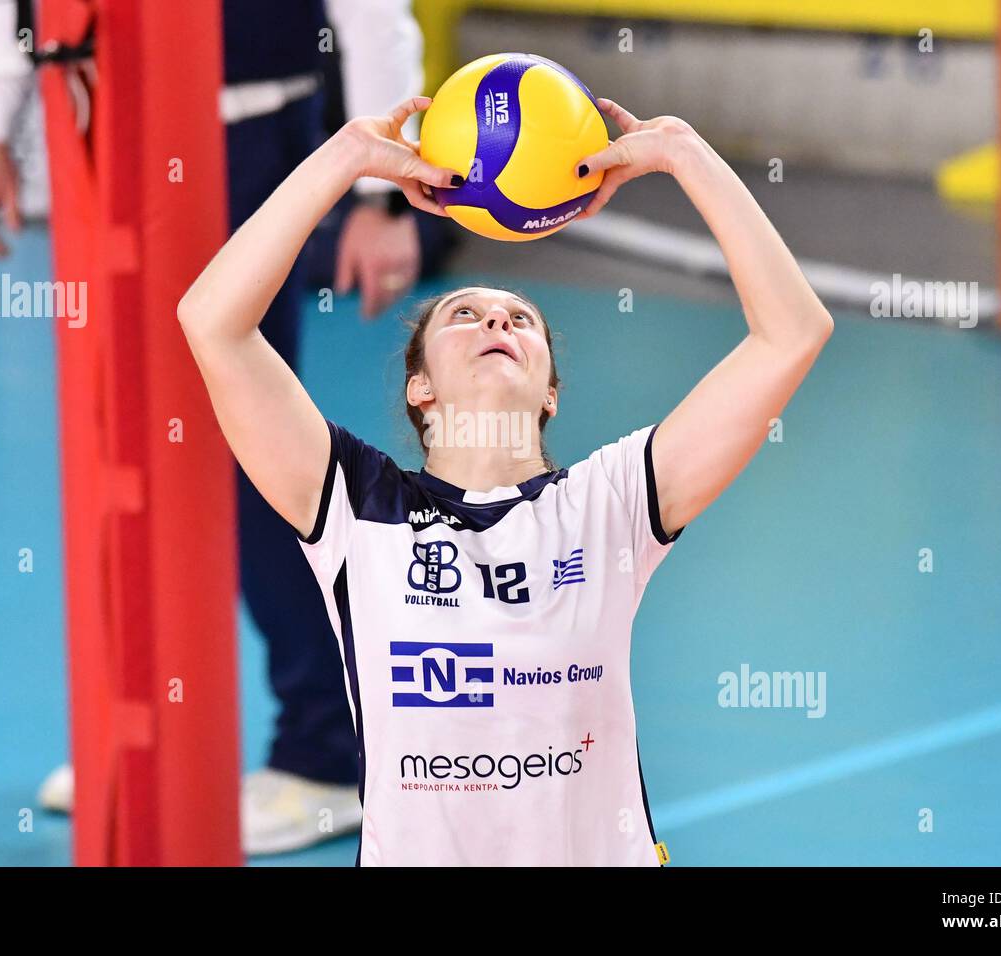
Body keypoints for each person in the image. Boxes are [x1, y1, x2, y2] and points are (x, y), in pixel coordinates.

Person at [182, 92, 834, 865]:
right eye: (464, 314)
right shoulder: (357, 509)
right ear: (419, 388)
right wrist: (347, 156)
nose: (497, 322)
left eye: (520, 319)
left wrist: (686, 154)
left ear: (550, 391)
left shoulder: (612, 503)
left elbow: (792, 333)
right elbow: (213, 323)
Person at [0, 0, 453, 854]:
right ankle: (141, 742)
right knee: (132, 437)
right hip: (100, 135)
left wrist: (384, 195)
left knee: (247, 448)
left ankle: (330, 755)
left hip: (249, 142)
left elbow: (368, 12)